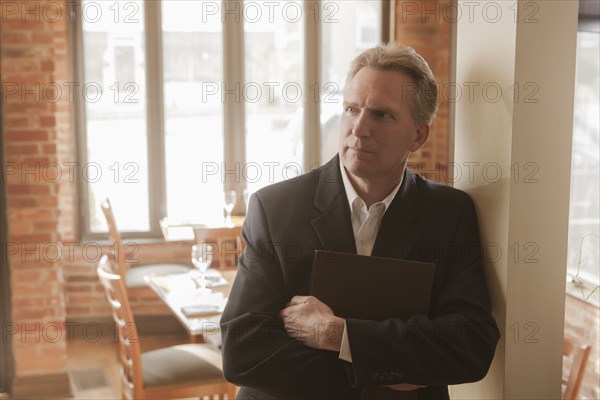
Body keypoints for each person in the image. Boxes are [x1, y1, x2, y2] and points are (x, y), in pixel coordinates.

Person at [220, 42, 499, 399]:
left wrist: (335, 335)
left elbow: (470, 346)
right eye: (352, 109)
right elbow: (242, 352)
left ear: (419, 135)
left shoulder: (450, 214)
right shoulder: (275, 208)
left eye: (381, 114)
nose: (359, 128)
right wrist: (387, 365)